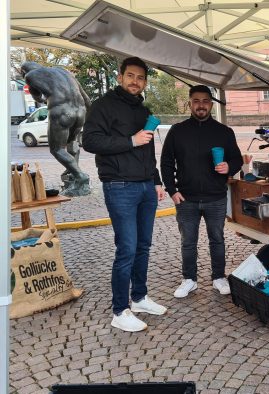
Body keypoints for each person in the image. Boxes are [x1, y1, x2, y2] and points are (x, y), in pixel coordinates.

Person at [82, 57, 168, 332]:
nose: (135, 81)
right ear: (120, 77)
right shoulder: (103, 106)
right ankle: (120, 310)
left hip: (145, 186)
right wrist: (130, 140)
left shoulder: (143, 110)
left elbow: (147, 150)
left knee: (143, 246)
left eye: (140, 78)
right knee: (127, 249)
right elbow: (90, 141)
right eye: (130, 76)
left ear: (145, 82)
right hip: (119, 186)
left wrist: (156, 181)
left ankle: (139, 297)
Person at [160, 85, 243, 298]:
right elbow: (166, 162)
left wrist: (229, 167)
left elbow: (237, 159)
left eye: (205, 101)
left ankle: (218, 277)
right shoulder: (177, 131)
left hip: (215, 196)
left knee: (217, 239)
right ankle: (189, 279)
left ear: (211, 104)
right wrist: (172, 190)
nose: (201, 105)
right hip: (186, 198)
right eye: (196, 101)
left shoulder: (224, 132)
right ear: (189, 104)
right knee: (188, 241)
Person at [21, 62, 91, 196]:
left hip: (62, 111)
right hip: (80, 111)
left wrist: (32, 89)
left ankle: (80, 177)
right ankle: (72, 174)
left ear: (25, 71)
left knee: (57, 149)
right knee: (71, 142)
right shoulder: (64, 72)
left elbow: (40, 99)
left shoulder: (30, 76)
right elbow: (87, 99)